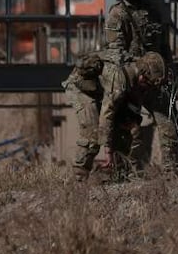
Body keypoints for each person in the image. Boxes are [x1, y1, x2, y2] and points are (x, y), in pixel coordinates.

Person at [103, 0, 178, 173]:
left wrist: (168, 71)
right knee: (126, 130)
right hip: (132, 82)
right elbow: (116, 53)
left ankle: (173, 172)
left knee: (169, 126)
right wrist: (134, 74)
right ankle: (123, 173)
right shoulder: (117, 15)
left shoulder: (152, 10)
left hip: (155, 80)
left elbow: (164, 45)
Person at [63, 50, 167, 181]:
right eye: (147, 84)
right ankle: (78, 178)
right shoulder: (119, 80)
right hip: (81, 90)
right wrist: (108, 152)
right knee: (93, 134)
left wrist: (131, 122)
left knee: (126, 128)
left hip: (102, 92)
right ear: (142, 76)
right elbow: (107, 116)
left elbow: (133, 109)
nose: (147, 89)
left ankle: (119, 173)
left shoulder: (138, 82)